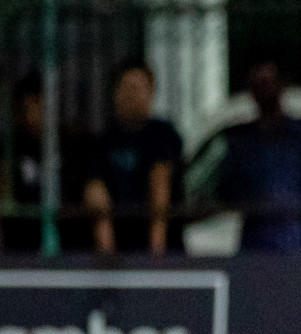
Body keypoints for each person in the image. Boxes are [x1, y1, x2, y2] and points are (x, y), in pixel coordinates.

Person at [216, 60, 301, 254]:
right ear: (252, 92)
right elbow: (227, 190)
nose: (265, 91)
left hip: (299, 244)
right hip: (256, 245)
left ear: (281, 87)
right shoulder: (242, 143)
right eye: (259, 85)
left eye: (269, 83)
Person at [84, 59, 183, 255]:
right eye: (126, 87)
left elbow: (160, 186)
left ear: (151, 91)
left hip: (159, 251)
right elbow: (95, 191)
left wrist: (156, 257)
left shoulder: (162, 133)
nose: (131, 95)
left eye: (138, 88)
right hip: (119, 250)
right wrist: (107, 256)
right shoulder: (104, 141)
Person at [0, 72, 91, 253]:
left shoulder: (75, 143)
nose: (32, 114)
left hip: (73, 240)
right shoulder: (11, 149)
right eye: (25, 108)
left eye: (37, 105)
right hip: (22, 241)